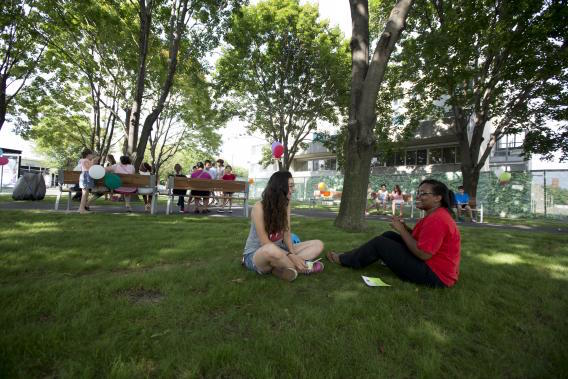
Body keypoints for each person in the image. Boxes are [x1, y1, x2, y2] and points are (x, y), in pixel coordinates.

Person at [326, 179, 460, 288]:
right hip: (432, 267)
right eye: (418, 192)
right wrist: (404, 228)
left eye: (423, 193)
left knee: (380, 243)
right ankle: (351, 256)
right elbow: (421, 238)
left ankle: (344, 260)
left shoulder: (438, 219)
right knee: (389, 236)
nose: (418, 196)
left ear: (438, 198)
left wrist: (401, 230)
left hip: (436, 276)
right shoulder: (435, 215)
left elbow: (423, 254)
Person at [242, 171, 324, 282]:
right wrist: (290, 255)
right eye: (290, 186)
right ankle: (304, 267)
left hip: (281, 250)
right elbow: (264, 243)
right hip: (257, 254)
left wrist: (293, 254)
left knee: (318, 244)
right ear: (280, 187)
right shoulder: (259, 207)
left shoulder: (285, 204)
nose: (293, 189)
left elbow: (286, 233)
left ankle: (279, 269)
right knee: (270, 250)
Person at [78, 149, 99, 214]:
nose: (92, 156)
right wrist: (93, 161)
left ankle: (82, 208)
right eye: (91, 155)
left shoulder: (82, 160)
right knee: (85, 194)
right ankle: (81, 209)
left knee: (85, 194)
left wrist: (93, 161)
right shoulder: (85, 160)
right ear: (88, 155)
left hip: (85, 176)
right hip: (86, 177)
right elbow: (89, 168)